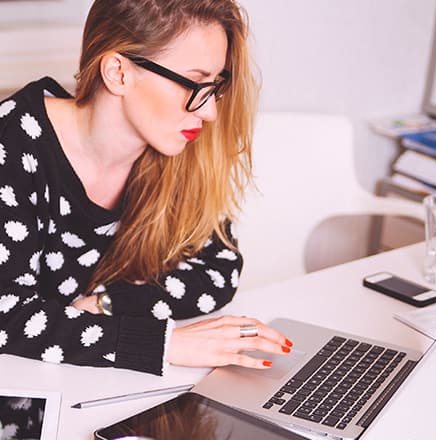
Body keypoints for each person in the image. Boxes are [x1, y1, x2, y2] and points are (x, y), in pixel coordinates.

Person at [0, 0, 292, 376]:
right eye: (194, 83)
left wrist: (108, 304)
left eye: (214, 85)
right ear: (118, 72)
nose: (209, 112)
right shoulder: (13, 147)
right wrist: (163, 343)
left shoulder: (171, 149)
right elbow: (7, 316)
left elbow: (218, 270)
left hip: (90, 384)